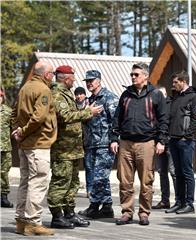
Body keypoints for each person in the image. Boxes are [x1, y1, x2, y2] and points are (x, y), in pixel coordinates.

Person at [110, 62, 168, 226]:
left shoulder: (156, 94)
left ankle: (144, 213)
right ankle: (127, 212)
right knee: (125, 181)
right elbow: (117, 119)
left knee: (146, 181)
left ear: (146, 76)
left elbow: (164, 120)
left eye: (136, 74)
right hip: (126, 143)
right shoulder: (125, 94)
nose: (133, 77)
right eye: (132, 75)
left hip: (147, 143)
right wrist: (114, 138)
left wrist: (161, 141)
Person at [47, 65, 103, 229]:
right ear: (66, 78)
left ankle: (69, 214)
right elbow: (64, 116)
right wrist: (88, 112)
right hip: (62, 149)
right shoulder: (57, 94)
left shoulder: (66, 93)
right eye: (72, 77)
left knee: (72, 183)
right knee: (60, 182)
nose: (74, 80)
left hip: (72, 149)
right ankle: (57, 217)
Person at [11, 61, 57, 236]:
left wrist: (17, 131)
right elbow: (39, 117)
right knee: (38, 182)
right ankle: (33, 222)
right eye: (51, 73)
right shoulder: (44, 90)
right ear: (45, 75)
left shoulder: (24, 88)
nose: (52, 77)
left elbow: (14, 112)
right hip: (38, 143)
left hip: (24, 145)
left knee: (25, 182)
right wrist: (22, 130)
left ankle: (21, 221)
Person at [78, 70, 119, 219]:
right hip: (91, 143)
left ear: (99, 80)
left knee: (99, 176)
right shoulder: (89, 100)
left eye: (91, 80)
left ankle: (94, 206)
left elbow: (116, 121)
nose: (89, 83)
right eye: (87, 81)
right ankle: (107, 206)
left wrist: (114, 139)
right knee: (100, 176)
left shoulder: (110, 98)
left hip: (104, 144)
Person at [165, 71, 196, 214]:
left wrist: (187, 135)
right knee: (177, 173)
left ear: (183, 81)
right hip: (173, 140)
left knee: (187, 172)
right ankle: (179, 202)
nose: (173, 85)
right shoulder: (176, 98)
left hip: (185, 141)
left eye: (175, 82)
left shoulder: (194, 97)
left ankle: (189, 203)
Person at [152, 86, 177, 210]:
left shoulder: (171, 104)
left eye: (162, 95)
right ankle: (164, 200)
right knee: (162, 171)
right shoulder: (154, 105)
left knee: (173, 171)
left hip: (169, 141)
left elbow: (169, 122)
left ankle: (179, 201)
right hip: (158, 142)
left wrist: (164, 139)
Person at [1, 87, 14, 208]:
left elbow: (14, 127)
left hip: (5, 147)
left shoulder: (8, 111)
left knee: (4, 172)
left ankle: (3, 196)